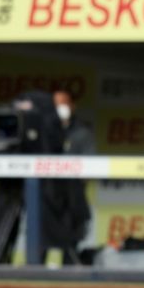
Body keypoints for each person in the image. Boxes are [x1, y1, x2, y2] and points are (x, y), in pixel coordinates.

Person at [41, 90, 95, 265]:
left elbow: (89, 169)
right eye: (56, 105)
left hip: (71, 200)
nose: (60, 108)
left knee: (69, 251)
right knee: (40, 245)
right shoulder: (44, 132)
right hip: (47, 199)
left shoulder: (81, 133)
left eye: (63, 104)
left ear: (72, 106)